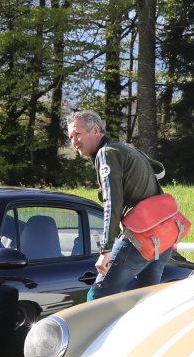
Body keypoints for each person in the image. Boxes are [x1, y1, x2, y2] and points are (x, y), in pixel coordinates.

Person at [66, 109, 175, 295]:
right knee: (144, 299)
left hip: (138, 237)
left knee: (97, 296)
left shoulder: (106, 154)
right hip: (163, 235)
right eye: (70, 137)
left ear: (95, 130)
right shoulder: (125, 148)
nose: (74, 141)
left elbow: (112, 203)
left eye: (77, 134)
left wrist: (105, 250)